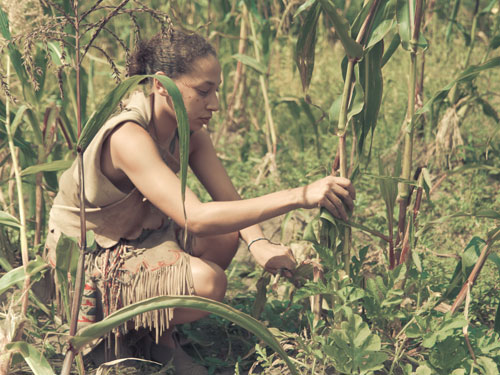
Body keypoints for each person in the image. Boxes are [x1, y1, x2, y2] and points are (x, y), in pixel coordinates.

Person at [44, 28, 355, 373]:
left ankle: (160, 336)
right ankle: (119, 334)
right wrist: (298, 196)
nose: (215, 104)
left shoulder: (189, 133)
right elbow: (196, 217)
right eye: (203, 91)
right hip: (90, 263)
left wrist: (260, 242)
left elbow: (228, 200)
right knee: (209, 282)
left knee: (227, 234)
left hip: (141, 241)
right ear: (162, 84)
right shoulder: (128, 136)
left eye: (217, 91)